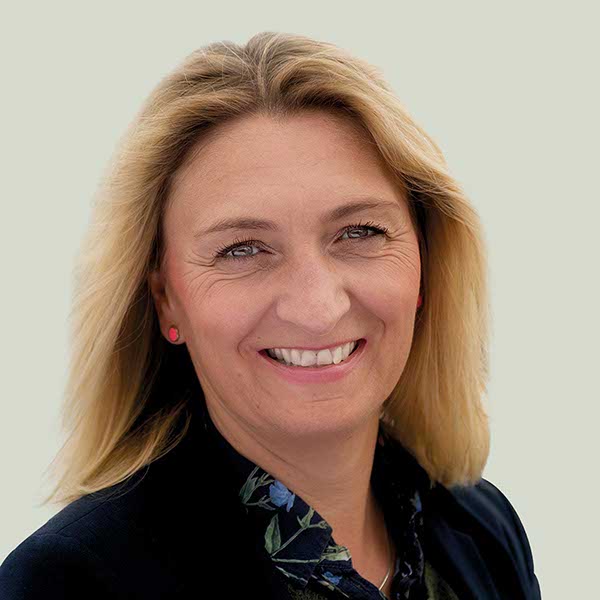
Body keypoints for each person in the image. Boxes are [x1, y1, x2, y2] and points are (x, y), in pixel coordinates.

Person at [0, 31, 541, 599]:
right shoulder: (68, 583)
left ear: (425, 265)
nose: (317, 308)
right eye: (242, 249)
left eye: (360, 232)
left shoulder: (483, 530)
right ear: (165, 298)